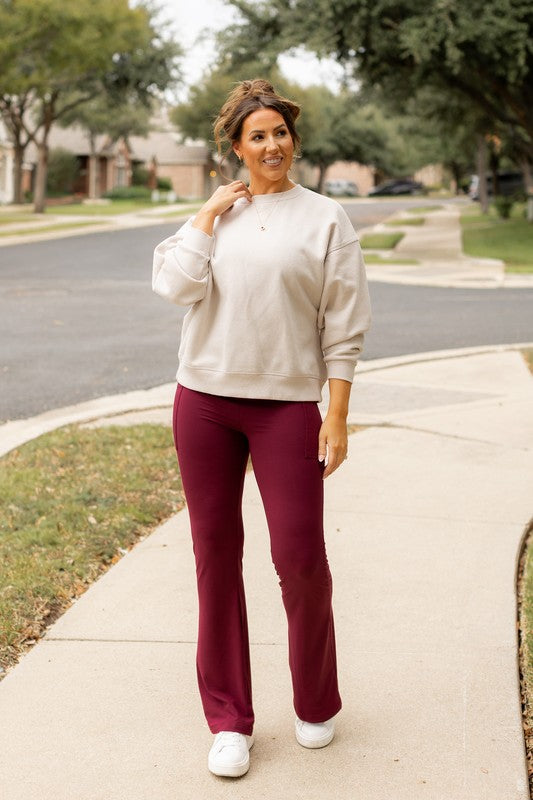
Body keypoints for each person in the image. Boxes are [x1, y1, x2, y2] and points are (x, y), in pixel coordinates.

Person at [152, 78, 371, 778]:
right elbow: (174, 288)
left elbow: (343, 324)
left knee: (300, 559)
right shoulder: (215, 218)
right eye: (257, 136)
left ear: (292, 139)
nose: (270, 145)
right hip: (205, 404)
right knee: (215, 557)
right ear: (236, 147)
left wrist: (335, 413)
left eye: (279, 132)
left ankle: (315, 701)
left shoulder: (326, 218)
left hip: (286, 407)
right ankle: (228, 720)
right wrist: (208, 214)